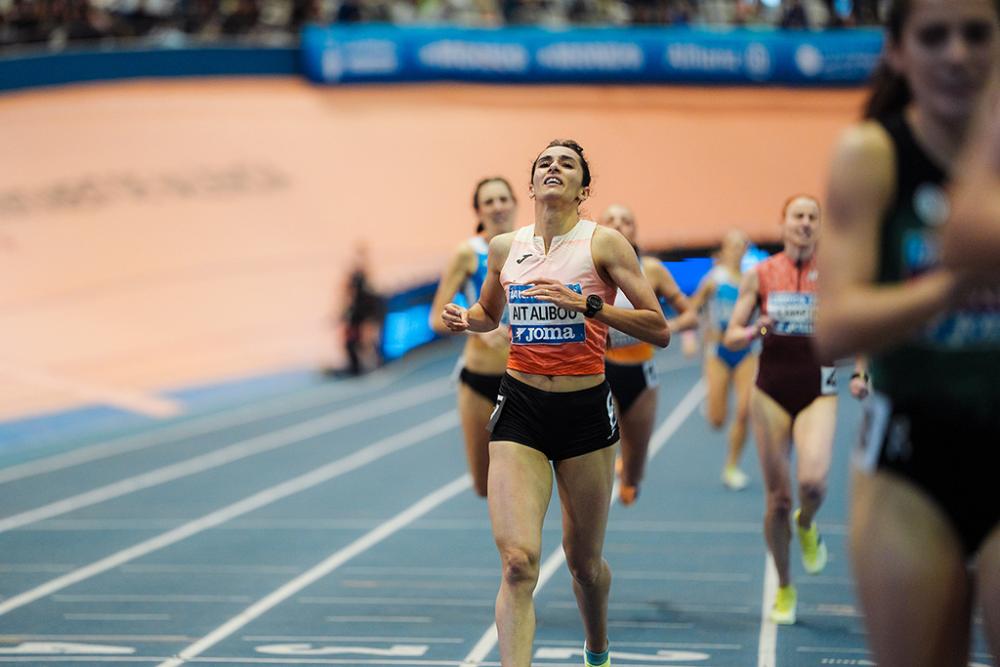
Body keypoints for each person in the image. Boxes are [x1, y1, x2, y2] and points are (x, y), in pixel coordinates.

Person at [816, 0, 1000, 664]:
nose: (957, 53)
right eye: (934, 36)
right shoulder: (872, 154)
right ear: (897, 51)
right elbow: (832, 328)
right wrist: (952, 284)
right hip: (910, 462)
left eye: (977, 33)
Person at [441, 140, 669, 667]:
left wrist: (589, 305)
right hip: (519, 407)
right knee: (519, 563)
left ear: (583, 189)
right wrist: (466, 319)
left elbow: (658, 329)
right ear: (532, 184)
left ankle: (597, 648)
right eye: (545, 161)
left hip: (585, 411)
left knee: (583, 565)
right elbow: (489, 313)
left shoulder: (605, 245)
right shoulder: (505, 248)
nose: (553, 168)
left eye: (566, 164)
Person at [723, 195, 838, 625]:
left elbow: (854, 330)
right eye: (798, 216)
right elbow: (732, 335)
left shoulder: (835, 275)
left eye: (813, 217)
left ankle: (807, 524)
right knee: (777, 500)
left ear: (819, 227)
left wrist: (862, 373)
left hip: (819, 389)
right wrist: (755, 328)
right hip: (770, 390)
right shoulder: (760, 275)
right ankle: (785, 587)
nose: (805, 223)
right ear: (784, 223)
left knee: (812, 485)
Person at [597, 203, 695, 505]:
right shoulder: (588, 268)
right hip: (599, 370)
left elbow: (690, 315)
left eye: (625, 220)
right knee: (598, 450)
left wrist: (663, 328)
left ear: (634, 230)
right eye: (610, 220)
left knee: (636, 468)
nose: (618, 225)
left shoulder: (650, 269)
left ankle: (629, 473)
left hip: (640, 373)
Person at [429, 176, 517, 497]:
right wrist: (475, 328)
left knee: (524, 476)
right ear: (478, 212)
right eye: (489, 202)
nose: (497, 207)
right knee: (484, 484)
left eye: (503, 199)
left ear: (516, 203)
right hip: (479, 381)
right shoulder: (468, 254)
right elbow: (437, 316)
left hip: (525, 381)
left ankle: (517, 547)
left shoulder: (532, 247)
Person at [685, 229, 757, 490]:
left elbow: (762, 313)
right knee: (717, 420)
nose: (737, 249)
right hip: (717, 352)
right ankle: (713, 402)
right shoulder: (714, 279)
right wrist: (690, 337)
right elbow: (693, 308)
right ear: (724, 250)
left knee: (745, 410)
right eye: (732, 245)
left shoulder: (753, 280)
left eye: (741, 245)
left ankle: (731, 467)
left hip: (746, 351)